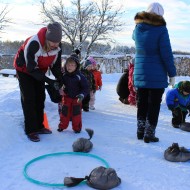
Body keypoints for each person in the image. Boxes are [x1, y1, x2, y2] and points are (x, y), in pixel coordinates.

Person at [132, 2, 176, 143]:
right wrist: (172, 73)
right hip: (156, 74)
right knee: (154, 104)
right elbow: (166, 53)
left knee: (142, 102)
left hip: (140, 71)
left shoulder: (138, 28)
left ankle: (140, 130)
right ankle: (149, 133)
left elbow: (135, 39)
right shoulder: (161, 29)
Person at [13, 22, 63, 142]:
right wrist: (49, 81)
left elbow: (55, 66)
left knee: (40, 96)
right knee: (29, 98)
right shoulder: (35, 43)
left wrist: (61, 80)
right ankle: (31, 130)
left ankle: (40, 126)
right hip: (24, 69)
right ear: (47, 38)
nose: (55, 45)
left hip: (39, 70)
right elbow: (31, 68)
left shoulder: (58, 46)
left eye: (57, 42)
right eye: (53, 42)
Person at [57, 52, 89, 133]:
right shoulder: (64, 76)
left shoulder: (80, 76)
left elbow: (86, 88)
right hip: (66, 98)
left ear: (76, 66)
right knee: (64, 113)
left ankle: (77, 128)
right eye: (68, 65)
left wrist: (82, 95)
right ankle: (62, 126)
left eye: (72, 65)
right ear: (65, 66)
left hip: (77, 99)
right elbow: (59, 84)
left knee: (76, 114)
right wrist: (59, 88)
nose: (69, 67)